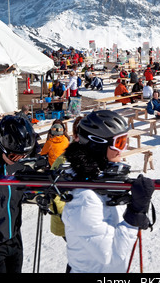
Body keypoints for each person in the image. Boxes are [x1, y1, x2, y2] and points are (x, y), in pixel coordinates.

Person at [61, 110, 155, 273]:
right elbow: (111, 259)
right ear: (98, 144)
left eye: (125, 141)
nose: (122, 149)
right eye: (119, 143)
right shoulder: (85, 198)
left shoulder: (102, 181)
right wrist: (134, 215)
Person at [0, 115, 37, 273]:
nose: (18, 160)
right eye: (14, 156)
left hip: (15, 238)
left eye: (23, 156)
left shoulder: (15, 165)